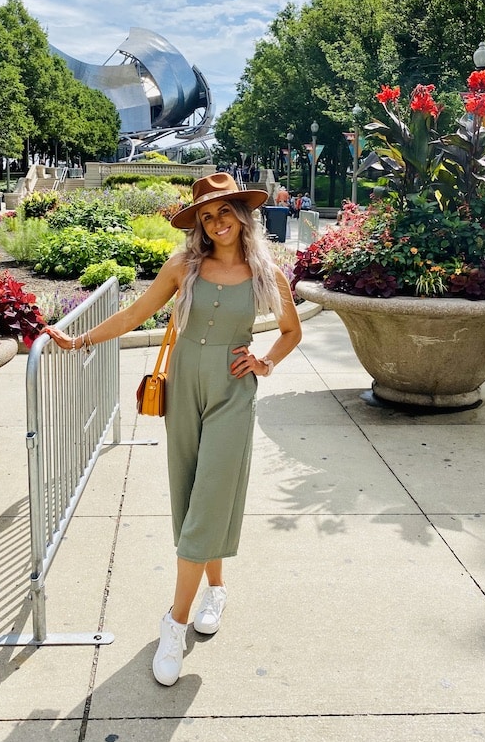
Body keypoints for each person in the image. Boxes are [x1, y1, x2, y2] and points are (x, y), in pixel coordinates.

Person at [43, 173, 302, 686]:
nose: (217, 222)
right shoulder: (183, 266)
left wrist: (265, 362)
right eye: (207, 216)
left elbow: (291, 331)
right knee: (187, 493)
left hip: (232, 393)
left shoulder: (265, 273)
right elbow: (137, 313)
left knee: (210, 496)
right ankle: (216, 587)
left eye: (224, 211)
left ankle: (174, 623)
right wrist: (79, 339)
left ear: (242, 214)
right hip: (184, 387)